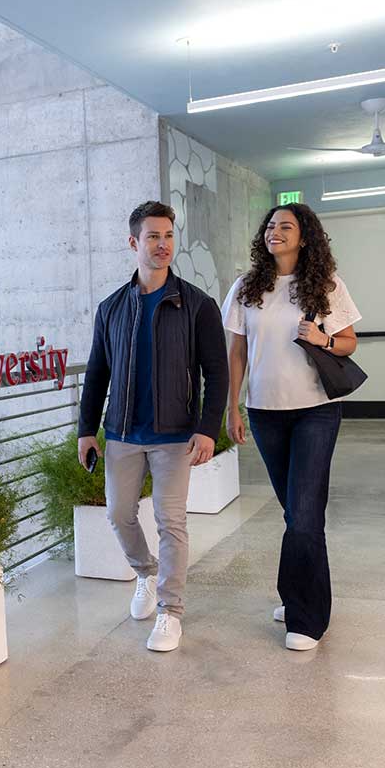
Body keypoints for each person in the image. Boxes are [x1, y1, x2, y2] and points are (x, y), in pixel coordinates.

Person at [78, 200, 229, 652]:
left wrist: (207, 428)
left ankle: (170, 611)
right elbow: (97, 373)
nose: (163, 245)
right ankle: (144, 573)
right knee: (118, 514)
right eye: (153, 237)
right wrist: (87, 429)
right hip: (123, 433)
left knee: (171, 521)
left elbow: (216, 372)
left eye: (168, 236)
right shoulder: (111, 308)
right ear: (133, 243)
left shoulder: (197, 305)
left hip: (174, 436)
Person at [221, 201, 361, 651]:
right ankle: (296, 593)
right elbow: (237, 353)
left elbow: (349, 341)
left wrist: (322, 338)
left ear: (305, 237)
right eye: (270, 226)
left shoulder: (325, 284)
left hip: (315, 410)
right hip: (265, 412)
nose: (274, 232)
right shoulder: (246, 287)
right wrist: (233, 407)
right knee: (295, 512)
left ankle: (307, 618)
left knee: (304, 515)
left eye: (286, 226)